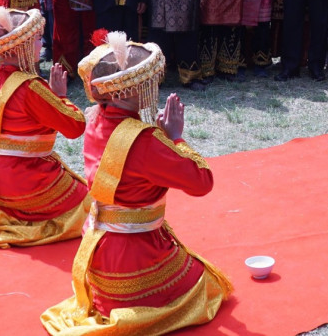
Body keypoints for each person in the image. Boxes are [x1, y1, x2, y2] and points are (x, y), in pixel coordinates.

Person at [41, 32, 231, 334]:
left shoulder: (95, 119)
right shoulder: (144, 140)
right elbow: (201, 182)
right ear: (126, 90)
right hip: (134, 258)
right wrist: (175, 138)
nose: (151, 86)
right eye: (146, 82)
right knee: (206, 285)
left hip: (99, 257)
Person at [0, 6, 88, 249]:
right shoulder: (30, 87)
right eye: (36, 39)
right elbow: (75, 127)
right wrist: (61, 96)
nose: (41, 44)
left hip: (1, 180)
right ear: (20, 46)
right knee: (96, 207)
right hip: (28, 179)